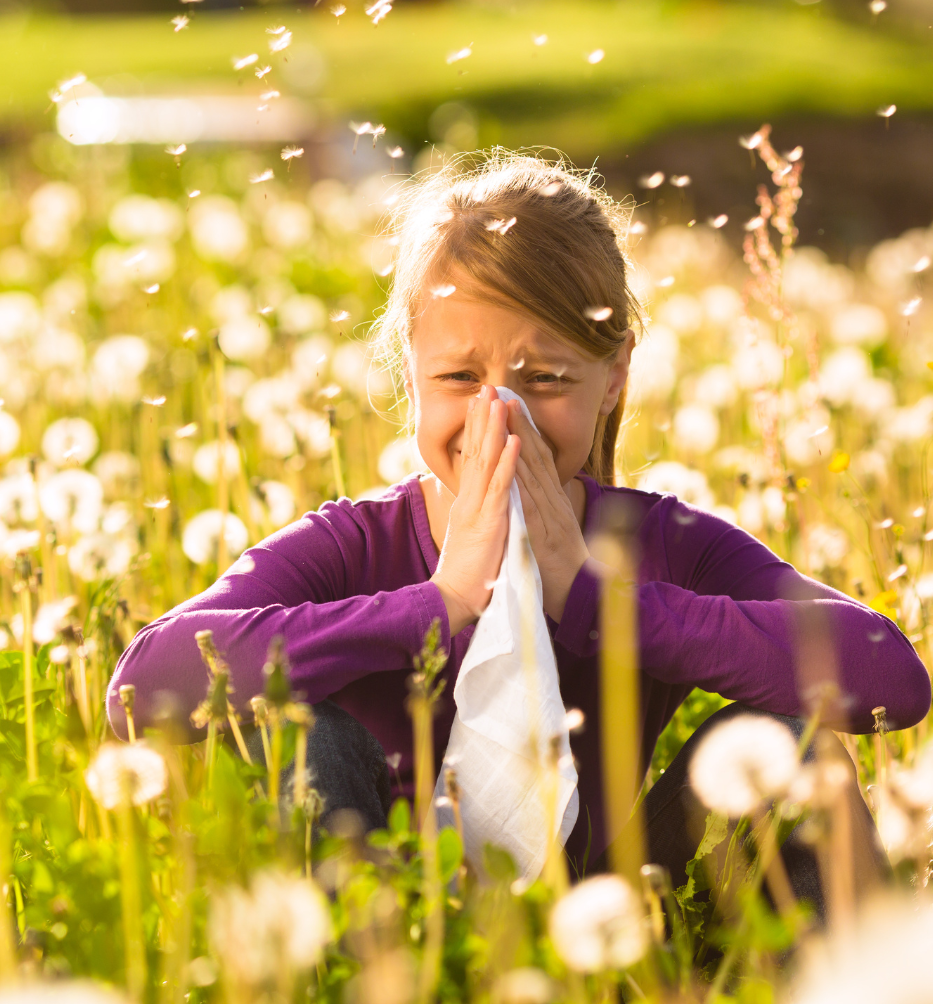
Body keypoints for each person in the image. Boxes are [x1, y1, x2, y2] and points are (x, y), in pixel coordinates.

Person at [106, 150, 930, 894]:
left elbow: (890, 677)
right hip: (380, 902)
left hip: (611, 902)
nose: (500, 416)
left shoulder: (658, 544)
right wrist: (439, 603)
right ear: (411, 376)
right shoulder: (356, 543)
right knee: (304, 738)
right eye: (461, 376)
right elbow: (142, 689)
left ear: (613, 378)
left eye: (544, 379)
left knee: (793, 745)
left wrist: (604, 602)